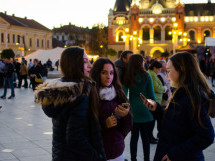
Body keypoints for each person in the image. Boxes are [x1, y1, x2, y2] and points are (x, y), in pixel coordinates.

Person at [35, 47, 106, 161]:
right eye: (85, 62)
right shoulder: (78, 92)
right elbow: (75, 137)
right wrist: (97, 158)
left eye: (89, 61)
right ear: (74, 64)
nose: (90, 65)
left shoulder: (60, 90)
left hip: (61, 155)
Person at [142, 52, 215, 161]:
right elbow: (175, 122)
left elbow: (206, 136)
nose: (167, 75)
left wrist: (175, 154)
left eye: (169, 71)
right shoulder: (182, 92)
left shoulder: (192, 96)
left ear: (181, 69)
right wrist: (157, 109)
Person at [91, 58, 132, 161]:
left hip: (117, 152)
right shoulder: (90, 95)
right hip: (98, 153)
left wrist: (126, 115)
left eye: (111, 73)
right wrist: (104, 125)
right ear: (97, 73)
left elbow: (126, 127)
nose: (109, 76)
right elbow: (86, 128)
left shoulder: (118, 93)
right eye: (104, 72)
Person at [123, 54, 156, 161]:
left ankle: (133, 159)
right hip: (145, 109)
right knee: (146, 138)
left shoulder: (128, 76)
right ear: (141, 62)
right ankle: (147, 159)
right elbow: (151, 95)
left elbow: (124, 94)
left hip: (133, 111)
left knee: (134, 138)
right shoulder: (146, 76)